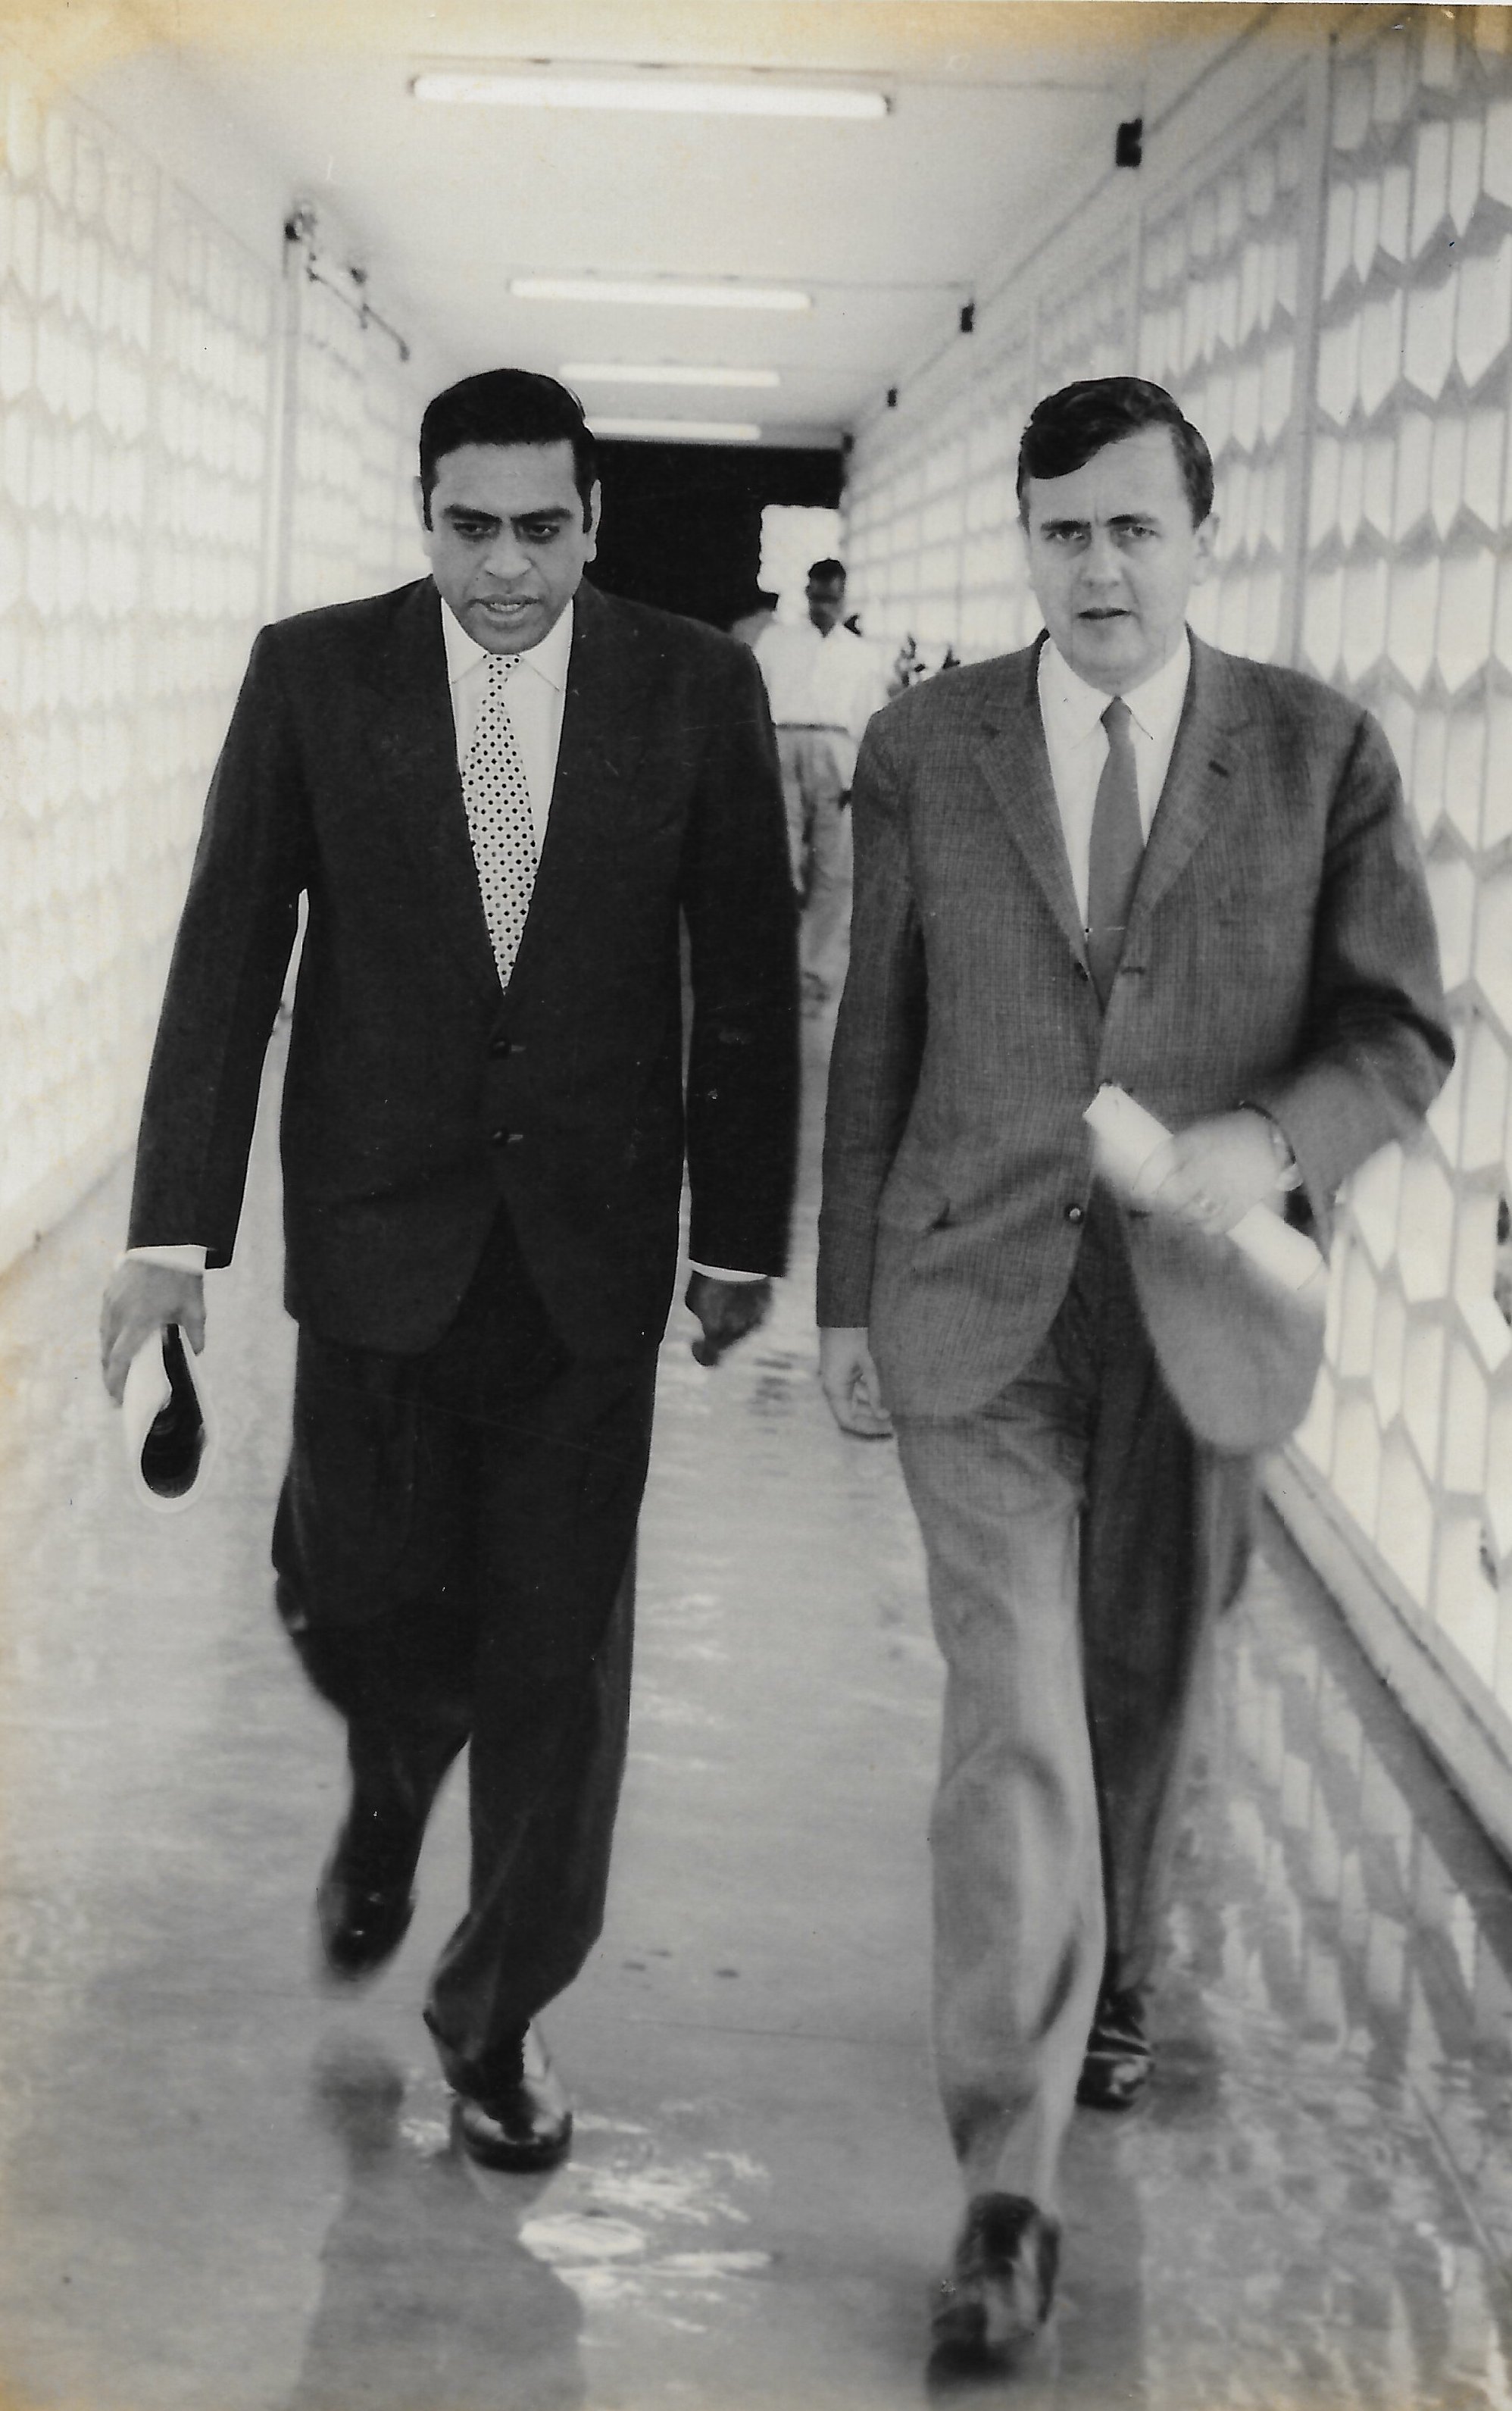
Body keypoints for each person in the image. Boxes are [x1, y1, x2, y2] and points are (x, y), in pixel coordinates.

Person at [817, 377, 1451, 2366]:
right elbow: (876, 1026)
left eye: (1129, 528)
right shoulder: (927, 745)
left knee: (1141, 1695)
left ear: (1198, 534)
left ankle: (1116, 1969)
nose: (1094, 566)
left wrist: (1273, 1137)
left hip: (1202, 1303)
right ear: (1021, 539)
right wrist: (840, 1295)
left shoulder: (1316, 751)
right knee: (1011, 1712)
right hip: (973, 1290)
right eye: (1060, 530)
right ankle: (1005, 2192)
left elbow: (1396, 1030)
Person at [100, 368, 798, 2174]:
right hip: (370, 1246)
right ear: (422, 515)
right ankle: (393, 1772)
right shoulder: (314, 675)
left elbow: (742, 972)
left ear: (593, 523)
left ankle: (495, 2019)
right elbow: (228, 951)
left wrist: (738, 1234)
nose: (504, 567)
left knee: (559, 1662)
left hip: (585, 1256)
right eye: (469, 526)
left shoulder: (691, 690)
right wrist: (172, 1236)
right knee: (357, 1599)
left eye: (541, 529)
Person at [753, 559, 889, 1010]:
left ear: (844, 599)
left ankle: (814, 976)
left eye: (831, 598)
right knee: (779, 860)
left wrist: (862, 775)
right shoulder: (776, 641)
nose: (823, 606)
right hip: (782, 745)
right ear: (806, 594)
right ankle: (773, 970)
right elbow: (753, 701)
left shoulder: (863, 655)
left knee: (834, 868)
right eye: (816, 597)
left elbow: (871, 720)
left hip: (837, 752)